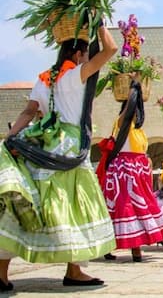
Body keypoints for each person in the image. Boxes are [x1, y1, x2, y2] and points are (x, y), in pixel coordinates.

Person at [0, 24, 118, 289]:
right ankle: (74, 271)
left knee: (26, 201)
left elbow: (29, 112)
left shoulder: (43, 79)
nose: (88, 59)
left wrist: (10, 138)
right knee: (75, 203)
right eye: (86, 55)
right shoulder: (75, 75)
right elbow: (111, 49)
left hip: (42, 144)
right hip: (70, 145)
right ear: (78, 55)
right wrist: (98, 22)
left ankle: (1, 273)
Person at [100, 81, 163, 262]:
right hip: (124, 171)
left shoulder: (139, 131)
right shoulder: (121, 123)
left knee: (141, 206)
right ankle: (124, 246)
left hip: (138, 171)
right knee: (124, 206)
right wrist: (134, 89)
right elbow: (127, 114)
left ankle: (137, 245)